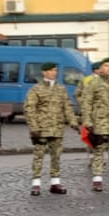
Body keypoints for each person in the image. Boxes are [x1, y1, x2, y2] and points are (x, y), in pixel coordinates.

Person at [27, 61, 80, 195]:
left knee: (56, 156)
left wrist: (74, 122)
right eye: (51, 71)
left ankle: (55, 182)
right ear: (44, 73)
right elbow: (30, 109)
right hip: (41, 128)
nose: (54, 73)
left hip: (57, 128)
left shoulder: (61, 89)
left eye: (55, 71)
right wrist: (34, 127)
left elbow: (67, 107)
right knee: (39, 156)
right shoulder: (36, 89)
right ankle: (36, 183)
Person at [77, 59, 109, 193]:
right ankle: (97, 179)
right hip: (99, 123)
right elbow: (87, 104)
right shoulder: (93, 84)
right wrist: (88, 122)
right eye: (106, 66)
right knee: (99, 152)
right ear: (101, 68)